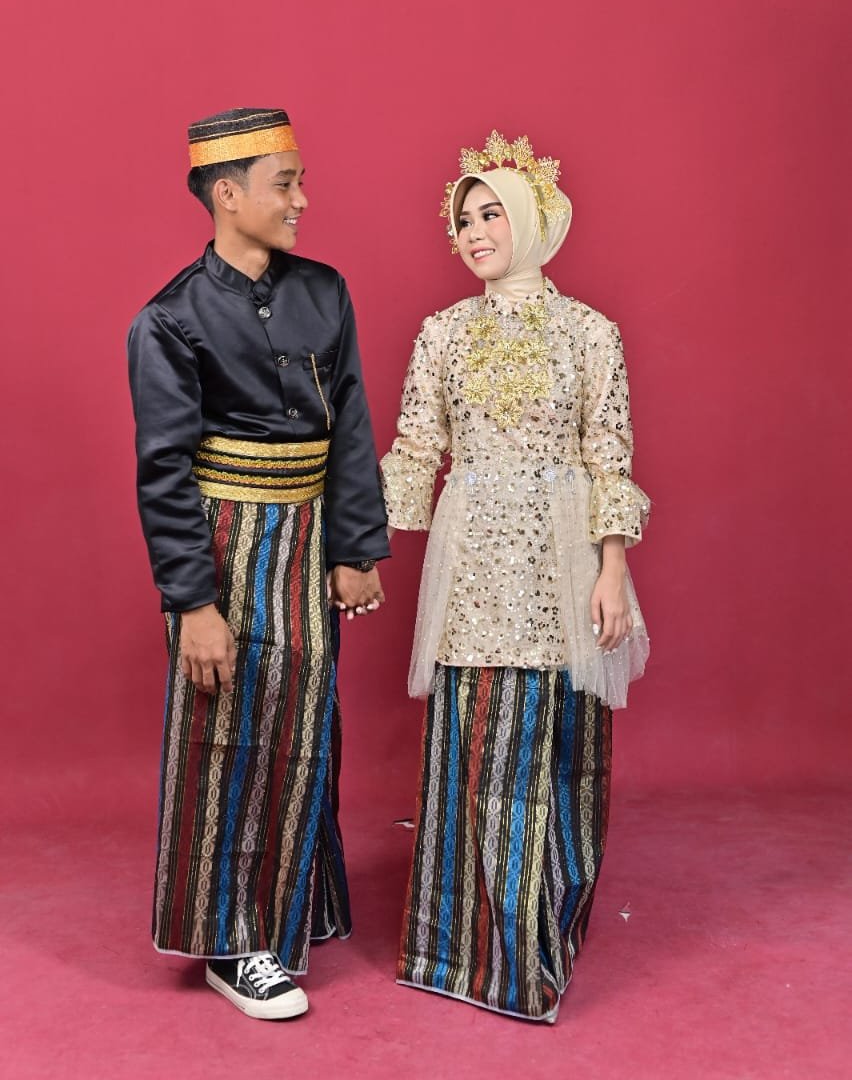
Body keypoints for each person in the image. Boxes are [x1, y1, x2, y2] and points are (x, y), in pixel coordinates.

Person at [380, 131, 650, 1022]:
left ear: (536, 219)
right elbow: (415, 450)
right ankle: (459, 952)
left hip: (561, 560)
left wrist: (612, 568)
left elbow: (609, 454)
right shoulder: (444, 334)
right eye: (464, 219)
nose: (475, 233)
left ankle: (537, 941)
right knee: (476, 736)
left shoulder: (590, 333)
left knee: (548, 743)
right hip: (470, 565)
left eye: (493, 214)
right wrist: (354, 548)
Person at [127, 107, 388, 1020]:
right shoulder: (168, 319)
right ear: (228, 194)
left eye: (301, 181)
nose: (303, 199)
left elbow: (350, 422)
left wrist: (356, 547)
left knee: (305, 719)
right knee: (230, 732)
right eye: (286, 184)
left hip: (310, 537)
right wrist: (192, 603)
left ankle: (296, 909)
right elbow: (163, 471)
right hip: (226, 545)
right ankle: (233, 942)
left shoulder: (326, 291)